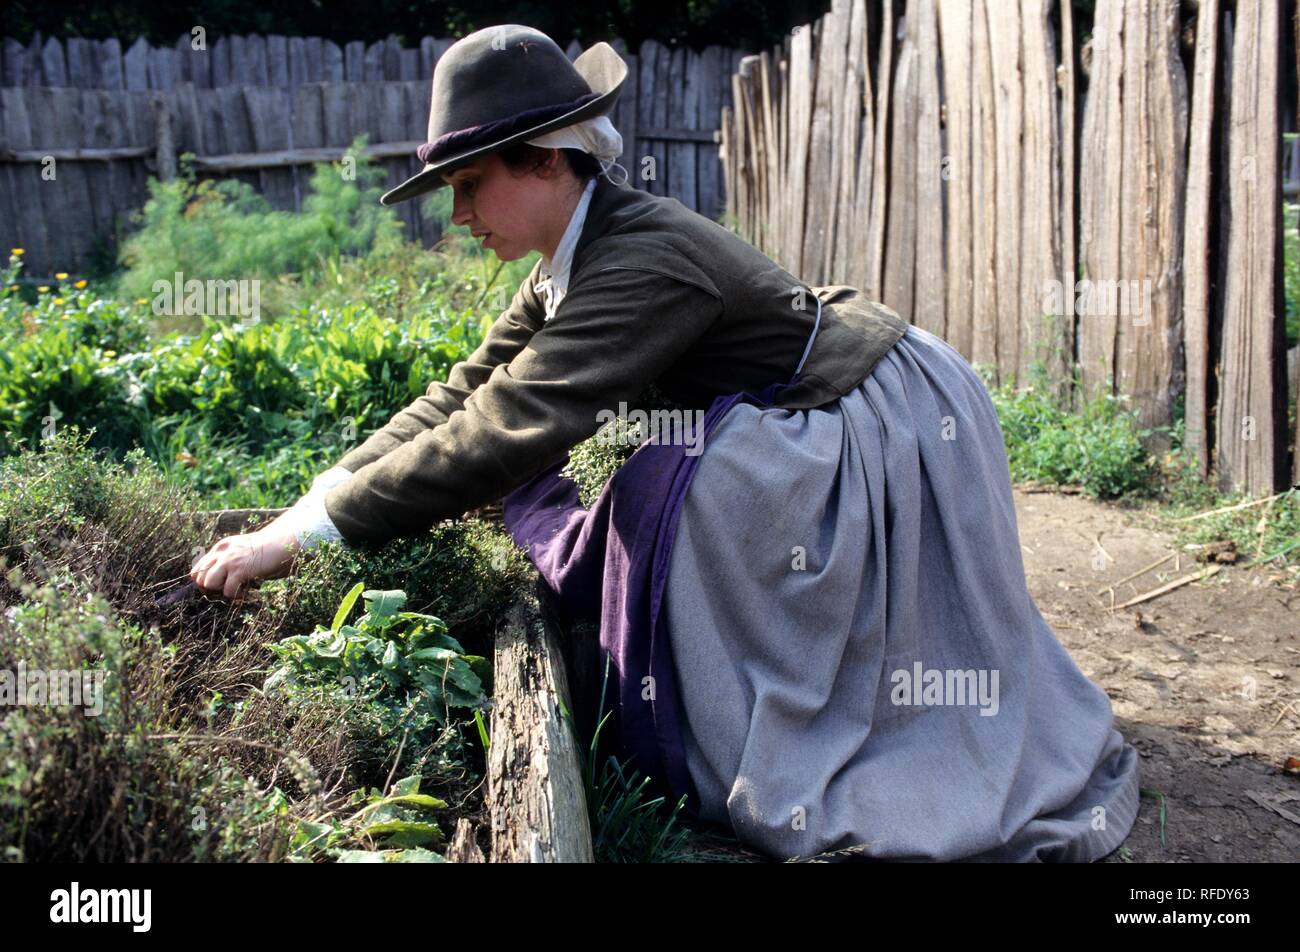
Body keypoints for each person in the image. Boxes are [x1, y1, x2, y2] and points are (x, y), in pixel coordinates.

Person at [190, 24, 1139, 862]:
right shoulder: (567, 262)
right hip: (795, 400)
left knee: (686, 488)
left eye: (470, 184)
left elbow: (512, 424)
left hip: (869, 410)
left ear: (545, 161)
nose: (459, 216)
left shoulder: (639, 257)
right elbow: (461, 396)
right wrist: (306, 509)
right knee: (661, 473)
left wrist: (311, 539)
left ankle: (810, 704)